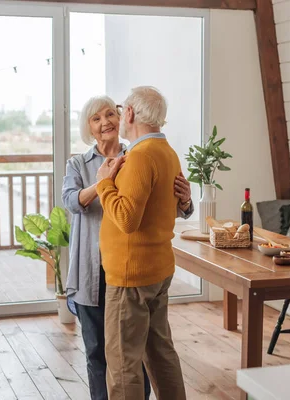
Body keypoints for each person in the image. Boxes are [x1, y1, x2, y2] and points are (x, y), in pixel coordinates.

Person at [62, 95, 193, 400]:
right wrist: (103, 181)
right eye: (96, 118)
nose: (105, 121)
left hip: (128, 269)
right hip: (94, 271)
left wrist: (185, 200)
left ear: (125, 116)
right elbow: (71, 201)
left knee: (129, 360)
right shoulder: (80, 163)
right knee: (102, 353)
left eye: (110, 114)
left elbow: (145, 213)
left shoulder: (137, 155)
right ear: (89, 128)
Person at [96, 86, 188, 400]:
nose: (119, 116)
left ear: (131, 113)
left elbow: (126, 219)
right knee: (160, 354)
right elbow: (169, 205)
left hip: (130, 276)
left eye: (121, 110)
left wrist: (103, 185)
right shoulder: (168, 153)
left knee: (123, 365)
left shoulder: (139, 156)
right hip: (158, 270)